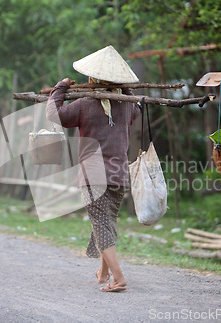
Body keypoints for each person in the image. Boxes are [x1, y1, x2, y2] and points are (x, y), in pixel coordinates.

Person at [46, 45, 140, 292]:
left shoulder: (84, 104)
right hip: (119, 175)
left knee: (100, 224)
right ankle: (103, 272)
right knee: (107, 222)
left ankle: (118, 278)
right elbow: (136, 110)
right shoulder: (128, 105)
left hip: (93, 177)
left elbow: (54, 115)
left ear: (91, 79)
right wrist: (126, 89)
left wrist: (60, 88)